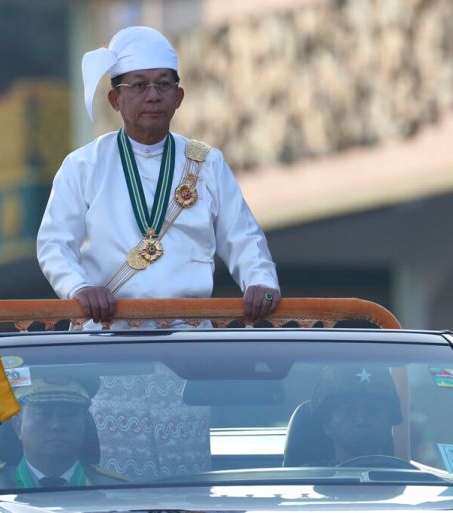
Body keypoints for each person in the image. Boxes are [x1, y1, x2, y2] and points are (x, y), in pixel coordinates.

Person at [37, 26, 280, 326]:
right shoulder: (84, 164)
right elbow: (54, 244)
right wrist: (80, 288)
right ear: (114, 100)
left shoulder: (206, 163)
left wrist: (261, 280)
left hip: (189, 334)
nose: (153, 96)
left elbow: (242, 236)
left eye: (163, 84)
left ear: (179, 97)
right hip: (108, 333)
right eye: (139, 85)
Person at [0, 377, 127, 488]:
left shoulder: (119, 492)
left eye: (69, 415)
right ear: (18, 426)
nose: (57, 426)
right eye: (43, 415)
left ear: (85, 426)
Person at [310, 366, 403, 465]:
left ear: (390, 422)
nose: (362, 421)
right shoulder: (305, 475)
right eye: (349, 411)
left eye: (372, 411)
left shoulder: (409, 474)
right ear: (327, 424)